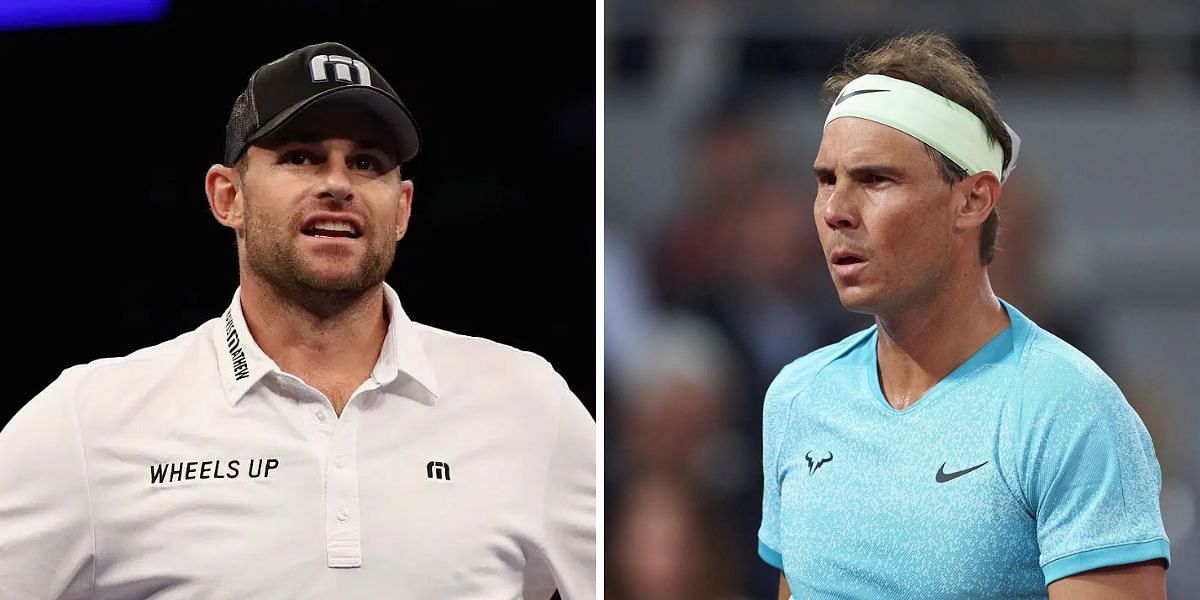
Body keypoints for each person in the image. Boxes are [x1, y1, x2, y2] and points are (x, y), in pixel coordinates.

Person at [0, 41, 595, 599]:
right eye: (301, 157)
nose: (337, 183)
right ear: (227, 197)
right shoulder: (92, 421)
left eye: (366, 162)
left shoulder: (527, 403)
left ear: (402, 210)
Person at [757, 33, 1169, 599]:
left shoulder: (1071, 410)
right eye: (826, 180)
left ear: (973, 200)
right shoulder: (795, 398)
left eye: (875, 179)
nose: (835, 211)